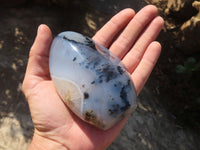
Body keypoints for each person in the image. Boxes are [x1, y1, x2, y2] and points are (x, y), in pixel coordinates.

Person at [22, 5, 164, 150]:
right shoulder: (64, 49)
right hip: (108, 107)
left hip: (105, 110)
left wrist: (54, 143)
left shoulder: (63, 48)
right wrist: (56, 142)